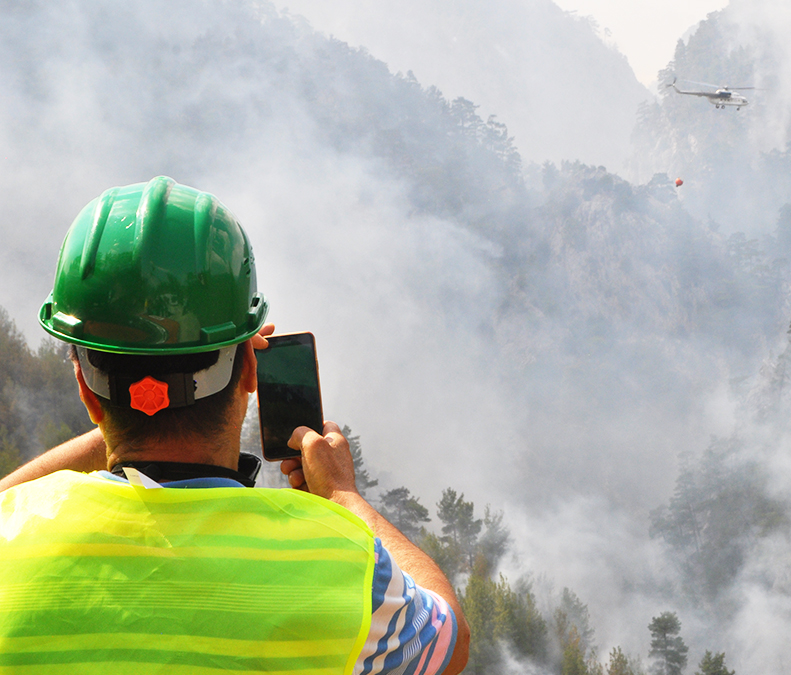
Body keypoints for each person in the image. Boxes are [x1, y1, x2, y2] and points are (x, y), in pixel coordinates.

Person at [0, 176, 470, 674]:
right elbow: (449, 639)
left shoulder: (12, 535)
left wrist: (130, 409)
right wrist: (343, 497)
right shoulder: (340, 565)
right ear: (250, 369)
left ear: (84, 388)